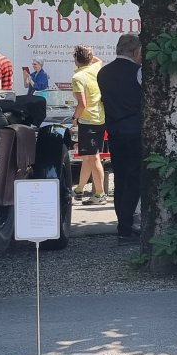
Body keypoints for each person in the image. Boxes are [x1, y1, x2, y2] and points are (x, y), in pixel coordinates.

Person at [97, 34, 144, 242]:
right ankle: (127, 225)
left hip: (114, 130)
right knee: (135, 178)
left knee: (121, 178)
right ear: (135, 51)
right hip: (135, 129)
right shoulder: (138, 71)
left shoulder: (103, 72)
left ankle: (122, 225)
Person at [71, 45, 108, 204]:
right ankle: (79, 189)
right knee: (88, 156)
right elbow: (99, 60)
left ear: (76, 58)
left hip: (88, 120)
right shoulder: (95, 68)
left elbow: (82, 104)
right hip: (100, 117)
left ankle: (100, 194)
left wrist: (75, 118)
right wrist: (90, 57)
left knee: (93, 157)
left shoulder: (78, 77)